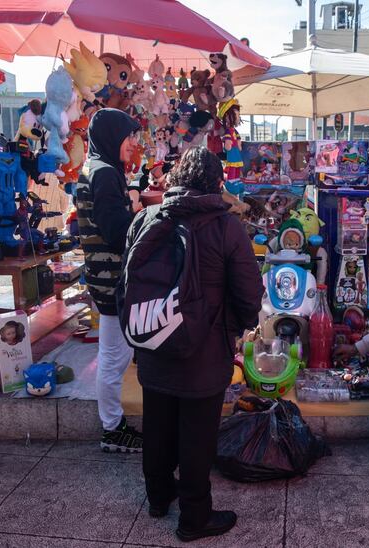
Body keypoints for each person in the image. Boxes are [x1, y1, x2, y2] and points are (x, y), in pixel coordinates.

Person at [126, 147, 263, 542]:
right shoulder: (226, 226)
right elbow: (248, 292)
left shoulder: (145, 218)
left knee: (157, 423)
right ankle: (194, 518)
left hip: (153, 340)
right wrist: (235, 328)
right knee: (197, 435)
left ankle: (157, 497)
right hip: (204, 349)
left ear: (175, 178)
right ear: (217, 182)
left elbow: (128, 283)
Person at [75, 108, 143, 453]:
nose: (133, 143)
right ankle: (112, 429)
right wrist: (141, 214)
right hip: (110, 279)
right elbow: (117, 232)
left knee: (114, 354)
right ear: (111, 136)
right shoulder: (103, 174)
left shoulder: (98, 168)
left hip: (105, 277)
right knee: (114, 358)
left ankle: (113, 424)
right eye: (128, 135)